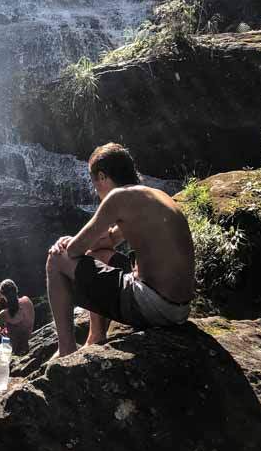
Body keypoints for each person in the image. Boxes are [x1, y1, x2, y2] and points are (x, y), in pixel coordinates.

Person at [45, 143, 194, 357]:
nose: (95, 191)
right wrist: (87, 242)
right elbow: (109, 242)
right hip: (179, 309)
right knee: (99, 256)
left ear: (102, 177)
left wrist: (67, 242)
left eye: (94, 183)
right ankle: (96, 336)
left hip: (154, 306)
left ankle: (66, 351)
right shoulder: (155, 196)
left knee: (56, 259)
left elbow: (74, 250)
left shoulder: (118, 198)